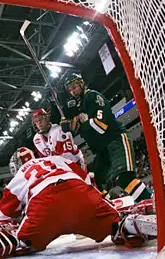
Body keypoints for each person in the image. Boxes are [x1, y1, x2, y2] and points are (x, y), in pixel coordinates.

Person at [0, 147, 154, 259]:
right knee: (114, 225)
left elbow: (1, 216)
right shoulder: (57, 159)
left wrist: (9, 220)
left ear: (16, 166)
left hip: (45, 205)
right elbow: (85, 181)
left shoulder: (21, 174)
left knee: (22, 242)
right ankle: (129, 225)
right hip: (81, 195)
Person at [62, 73, 151, 203]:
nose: (72, 91)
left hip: (115, 140)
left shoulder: (92, 96)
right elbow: (77, 129)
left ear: (81, 83)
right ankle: (110, 208)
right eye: (69, 89)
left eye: (74, 86)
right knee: (95, 180)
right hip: (102, 149)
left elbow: (100, 125)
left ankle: (150, 203)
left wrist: (82, 123)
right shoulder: (80, 105)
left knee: (124, 178)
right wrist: (69, 124)